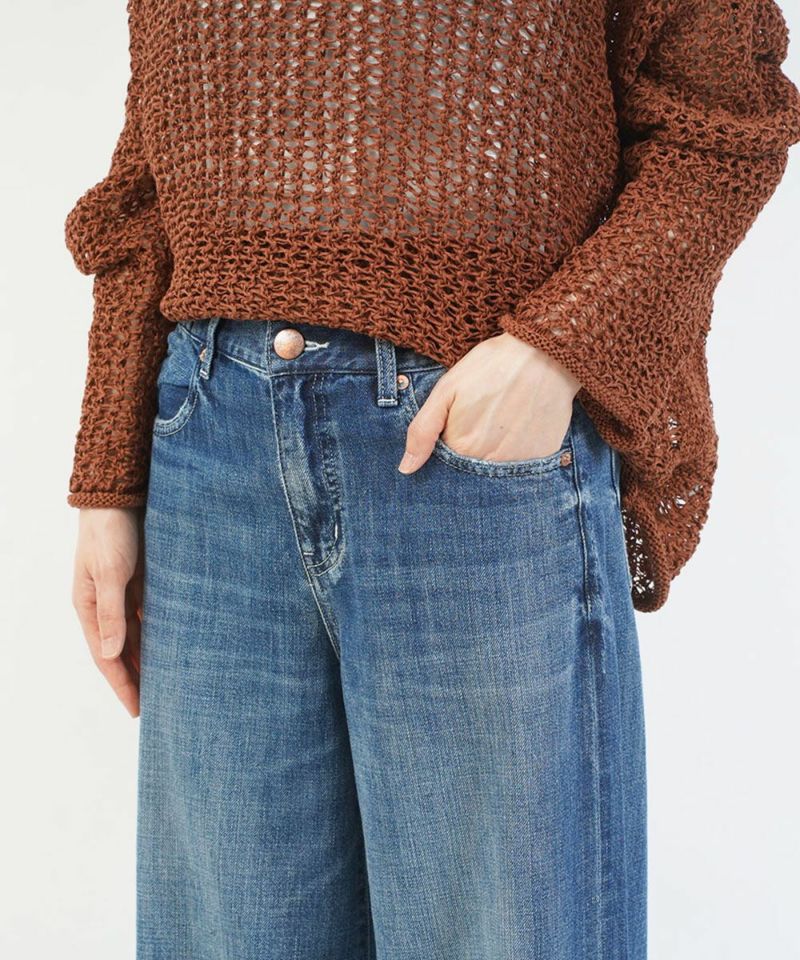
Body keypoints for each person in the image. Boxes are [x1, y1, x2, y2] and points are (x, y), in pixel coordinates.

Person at [65, 2, 800, 958]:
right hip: (211, 454)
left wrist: (560, 349)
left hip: (470, 460)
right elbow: (147, 185)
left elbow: (722, 123)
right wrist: (108, 479)